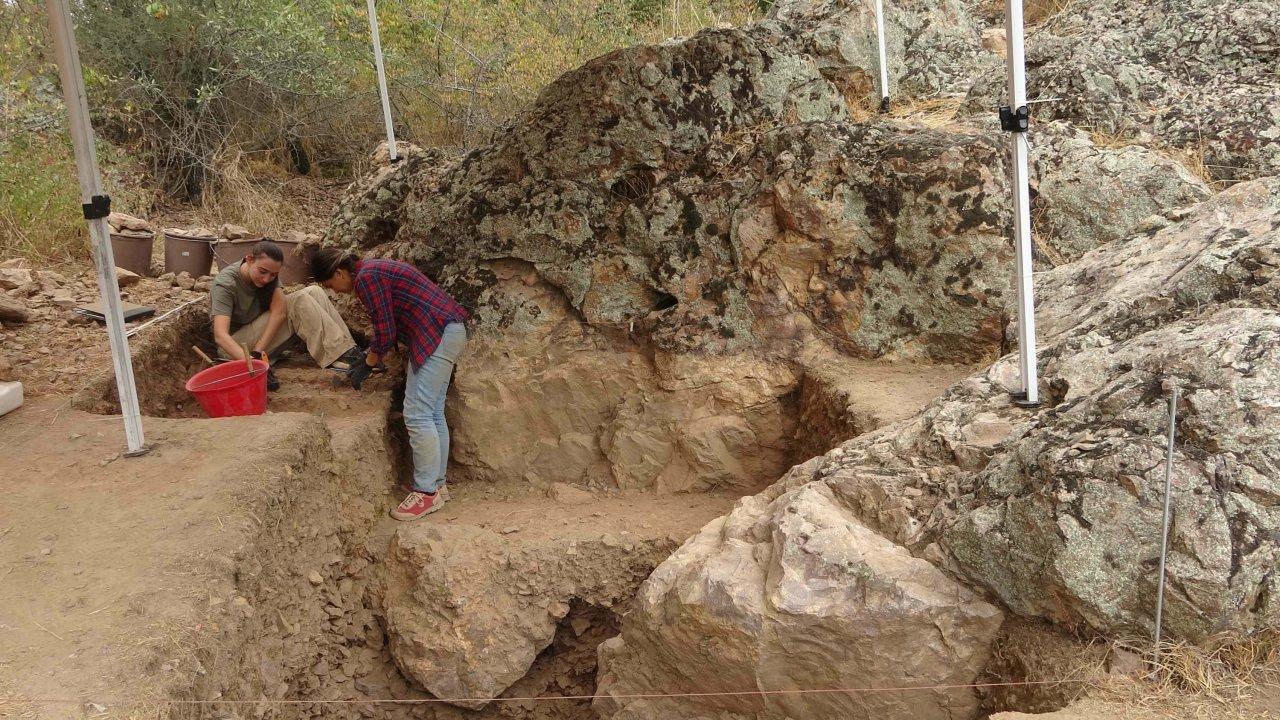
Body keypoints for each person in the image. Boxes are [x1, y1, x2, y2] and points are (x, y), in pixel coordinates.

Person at [311, 248, 469, 521]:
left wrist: (368, 362)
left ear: (339, 272)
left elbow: (385, 330)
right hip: (449, 331)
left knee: (418, 414)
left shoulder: (366, 278)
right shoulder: (374, 269)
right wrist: (370, 356)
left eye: (329, 284)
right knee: (432, 413)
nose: (333, 291)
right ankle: (437, 485)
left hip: (437, 334)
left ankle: (426, 492)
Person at [210, 239, 362, 391]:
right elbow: (220, 336)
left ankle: (350, 350)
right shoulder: (226, 284)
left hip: (256, 346)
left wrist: (258, 351)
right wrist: (252, 361)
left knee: (315, 291)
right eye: (262, 272)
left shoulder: (269, 273)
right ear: (249, 259)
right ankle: (336, 354)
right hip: (235, 349)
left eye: (273, 275)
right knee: (298, 301)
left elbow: (279, 313)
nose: (266, 279)